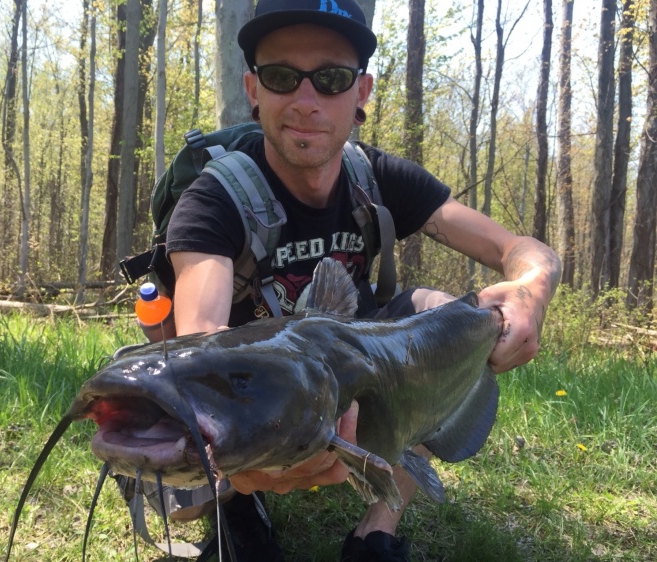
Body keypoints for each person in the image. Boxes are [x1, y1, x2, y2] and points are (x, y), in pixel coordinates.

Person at [142, 0, 562, 560]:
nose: (306, 100)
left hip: (351, 377)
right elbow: (204, 342)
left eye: (332, 78)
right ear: (254, 89)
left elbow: (522, 250)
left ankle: (376, 531)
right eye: (282, 76)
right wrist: (232, 454)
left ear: (361, 93)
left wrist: (531, 292)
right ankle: (235, 503)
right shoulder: (212, 202)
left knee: (440, 314)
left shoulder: (379, 179)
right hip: (255, 400)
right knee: (184, 460)